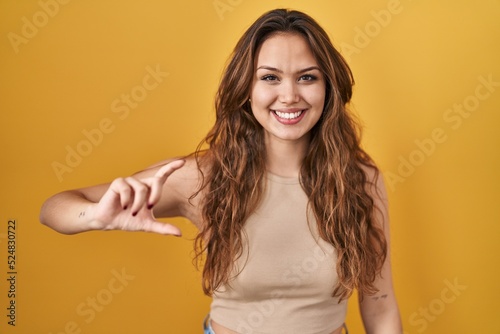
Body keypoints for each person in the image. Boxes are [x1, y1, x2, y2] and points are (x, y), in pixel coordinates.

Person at [40, 8, 403, 334]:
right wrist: (95, 217)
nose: (290, 95)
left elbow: (380, 304)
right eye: (270, 78)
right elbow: (53, 208)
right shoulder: (203, 177)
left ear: (328, 87)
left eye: (307, 77)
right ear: (246, 87)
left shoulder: (360, 179)